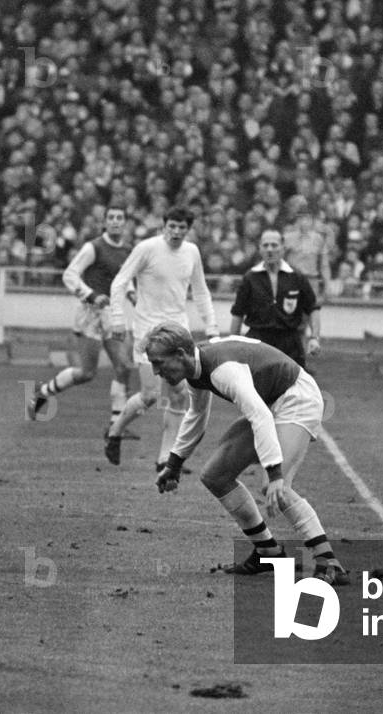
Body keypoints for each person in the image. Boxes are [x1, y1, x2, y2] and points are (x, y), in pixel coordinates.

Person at [146, 322, 348, 585]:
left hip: (298, 399)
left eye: (158, 363)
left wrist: (274, 473)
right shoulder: (196, 368)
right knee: (215, 475)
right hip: (271, 403)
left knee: (276, 487)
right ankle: (268, 552)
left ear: (181, 354)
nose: (156, 371)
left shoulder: (222, 370)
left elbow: (259, 415)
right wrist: (174, 464)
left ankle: (329, 561)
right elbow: (196, 414)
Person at [104, 206, 218, 470]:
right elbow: (120, 282)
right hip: (147, 330)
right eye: (172, 226)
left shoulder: (192, 252)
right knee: (150, 395)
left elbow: (201, 291)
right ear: (163, 226)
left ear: (188, 230)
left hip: (177, 332)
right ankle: (115, 431)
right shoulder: (147, 249)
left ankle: (165, 457)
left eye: (182, 228)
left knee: (180, 393)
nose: (176, 232)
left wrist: (211, 326)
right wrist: (118, 318)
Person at [27, 204, 133, 425]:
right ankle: (43, 392)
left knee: (123, 366)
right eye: (111, 217)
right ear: (105, 222)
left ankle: (116, 427)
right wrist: (91, 295)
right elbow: (70, 275)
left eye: (119, 218)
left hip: (113, 315)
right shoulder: (94, 247)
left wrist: (131, 293)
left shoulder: (127, 250)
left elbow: (124, 276)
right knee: (87, 373)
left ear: (125, 223)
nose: (115, 221)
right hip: (91, 314)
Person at [229, 229, 321, 368]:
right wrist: (232, 346)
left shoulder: (297, 276)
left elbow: (313, 308)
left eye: (274, 245)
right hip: (258, 343)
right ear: (260, 248)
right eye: (265, 245)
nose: (270, 249)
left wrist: (314, 338)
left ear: (283, 248)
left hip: (290, 345)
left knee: (294, 382)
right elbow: (238, 313)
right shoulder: (250, 278)